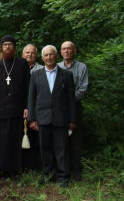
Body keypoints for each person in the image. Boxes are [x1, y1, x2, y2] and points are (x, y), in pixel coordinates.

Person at [28, 45, 76, 187]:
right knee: (45, 148)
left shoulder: (66, 75)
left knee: (61, 148)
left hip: (61, 118)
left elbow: (71, 100)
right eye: (46, 55)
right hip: (42, 118)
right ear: (42, 58)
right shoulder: (35, 75)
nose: (49, 57)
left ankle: (63, 176)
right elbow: (31, 98)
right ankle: (48, 174)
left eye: (51, 54)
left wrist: (72, 119)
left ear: (56, 56)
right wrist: (32, 118)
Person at [0, 35, 30, 180]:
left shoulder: (22, 64)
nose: (7, 47)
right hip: (1, 110)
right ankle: (2, 169)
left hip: (17, 109)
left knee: (15, 139)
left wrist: (26, 106)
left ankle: (16, 170)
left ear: (14, 47)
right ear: (1, 47)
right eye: (5, 44)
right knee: (2, 141)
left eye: (10, 44)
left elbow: (27, 87)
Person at [58, 41, 88, 181]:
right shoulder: (57, 67)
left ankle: (77, 170)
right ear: (61, 52)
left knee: (76, 139)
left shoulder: (82, 67)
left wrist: (69, 100)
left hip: (75, 106)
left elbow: (83, 89)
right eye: (64, 49)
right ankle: (64, 169)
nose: (67, 51)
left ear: (74, 50)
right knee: (61, 138)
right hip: (59, 108)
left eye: (69, 48)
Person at [22, 44, 43, 170]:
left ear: (36, 55)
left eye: (32, 53)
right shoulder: (17, 68)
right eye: (27, 52)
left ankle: (37, 165)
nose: (29, 55)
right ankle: (25, 165)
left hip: (37, 109)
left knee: (36, 137)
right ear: (23, 54)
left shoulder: (42, 69)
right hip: (21, 109)